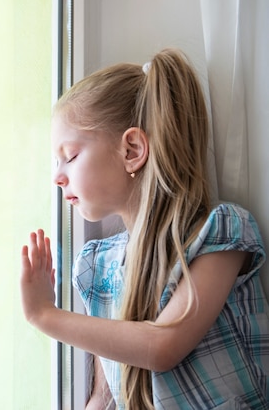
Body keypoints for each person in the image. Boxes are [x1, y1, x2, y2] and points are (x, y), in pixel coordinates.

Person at [20, 48, 268, 410]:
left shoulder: (220, 234)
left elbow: (162, 346)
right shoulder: (96, 268)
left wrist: (45, 314)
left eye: (70, 156)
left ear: (132, 150)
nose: (57, 177)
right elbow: (104, 397)